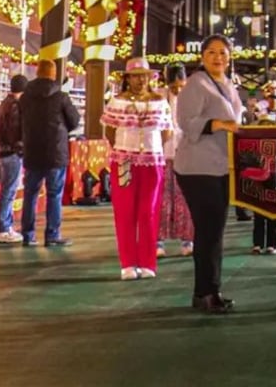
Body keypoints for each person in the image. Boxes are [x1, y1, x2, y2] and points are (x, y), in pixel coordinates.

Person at [175, 35, 244, 314]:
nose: (218, 57)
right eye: (212, 52)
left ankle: (210, 290)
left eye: (223, 53)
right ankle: (205, 292)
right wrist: (218, 123)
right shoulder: (196, 83)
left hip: (220, 165)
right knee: (208, 232)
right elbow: (185, 121)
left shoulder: (227, 84)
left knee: (215, 231)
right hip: (197, 167)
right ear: (202, 56)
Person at [102, 57, 174, 280]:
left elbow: (167, 132)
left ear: (151, 77)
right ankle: (128, 263)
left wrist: (151, 149)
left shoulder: (160, 102)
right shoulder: (117, 102)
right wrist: (124, 150)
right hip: (124, 161)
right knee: (125, 211)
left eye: (144, 75)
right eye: (135, 76)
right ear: (127, 78)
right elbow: (110, 131)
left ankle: (147, 262)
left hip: (152, 163)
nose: (140, 80)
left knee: (148, 211)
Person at [19, 59, 80, 247]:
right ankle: (52, 235)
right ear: (54, 74)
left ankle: (28, 235)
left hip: (32, 151)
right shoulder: (61, 97)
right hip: (56, 152)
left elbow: (20, 119)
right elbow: (74, 120)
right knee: (54, 194)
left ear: (37, 73)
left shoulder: (25, 97)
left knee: (30, 194)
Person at [157, 65, 194, 258]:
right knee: (161, 200)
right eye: (174, 86)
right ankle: (157, 242)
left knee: (186, 199)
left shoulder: (193, 99)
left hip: (186, 156)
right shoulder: (158, 97)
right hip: (161, 156)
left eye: (181, 85)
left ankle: (188, 240)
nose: (177, 90)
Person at [0, 74, 29, 243]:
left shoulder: (5, 104)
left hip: (3, 151)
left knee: (8, 190)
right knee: (9, 191)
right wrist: (21, 148)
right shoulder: (15, 106)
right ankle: (4, 227)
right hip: (11, 153)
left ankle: (6, 226)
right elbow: (15, 131)